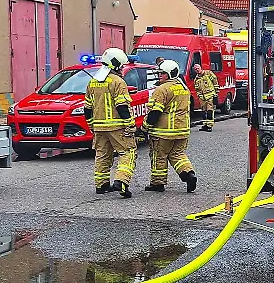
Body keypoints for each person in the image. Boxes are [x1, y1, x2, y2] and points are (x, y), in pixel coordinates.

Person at [84, 48, 136, 198]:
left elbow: (87, 108)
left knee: (102, 155)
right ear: (116, 64)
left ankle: (101, 185)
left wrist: (91, 125)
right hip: (117, 126)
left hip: (99, 127)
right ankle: (121, 181)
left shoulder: (93, 82)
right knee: (128, 152)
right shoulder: (118, 82)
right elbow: (122, 106)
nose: (122, 68)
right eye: (121, 65)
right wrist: (130, 124)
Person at [143, 60, 198, 193]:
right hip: (182, 129)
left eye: (162, 73)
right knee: (178, 154)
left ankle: (158, 183)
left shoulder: (162, 89)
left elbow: (155, 112)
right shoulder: (183, 87)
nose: (159, 75)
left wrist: (145, 127)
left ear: (168, 74)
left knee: (159, 156)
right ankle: (189, 175)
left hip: (164, 131)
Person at [191, 63, 219, 132]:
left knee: (210, 111)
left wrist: (216, 93)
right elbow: (197, 89)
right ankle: (205, 125)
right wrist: (199, 96)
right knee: (203, 112)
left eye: (198, 68)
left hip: (210, 96)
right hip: (202, 98)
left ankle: (209, 126)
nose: (197, 70)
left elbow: (215, 81)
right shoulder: (196, 79)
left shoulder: (208, 73)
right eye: (195, 69)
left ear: (200, 68)